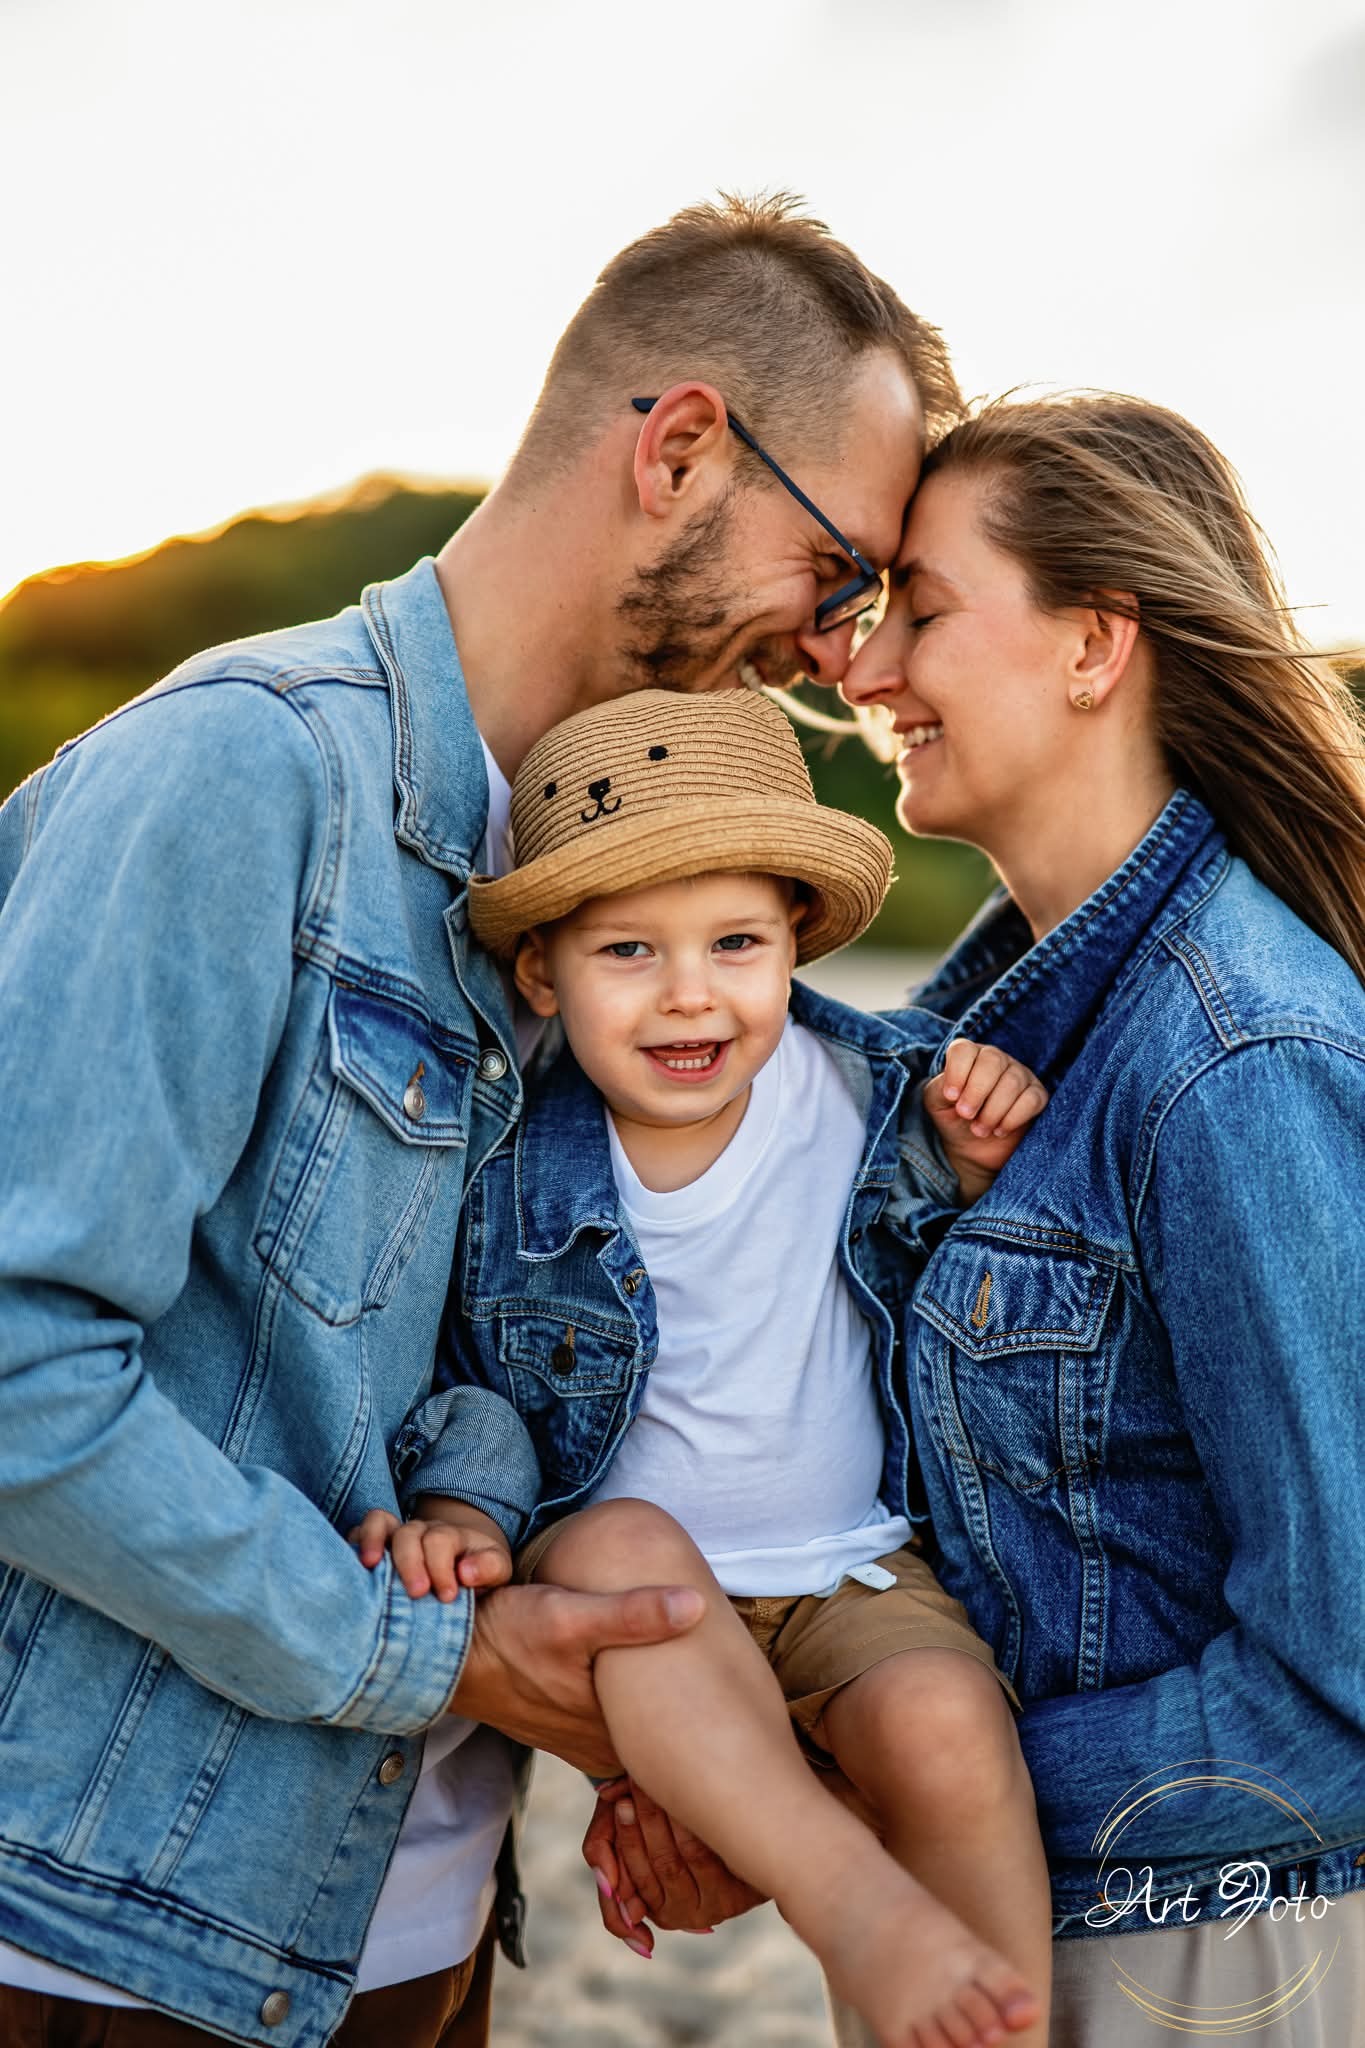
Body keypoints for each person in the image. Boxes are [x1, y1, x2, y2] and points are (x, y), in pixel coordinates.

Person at [0, 193, 959, 2047]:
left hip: (416, 1920)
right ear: (680, 450)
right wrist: (431, 1654)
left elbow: (494, 1394)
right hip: (118, 1937)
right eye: (835, 569)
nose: (841, 655)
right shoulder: (241, 773)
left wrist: (662, 1739)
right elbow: (18, 1360)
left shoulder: (609, 906)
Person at [356, 685, 1053, 2048]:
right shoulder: (509, 1162)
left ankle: (1002, 2022)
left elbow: (954, 1279)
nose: (690, 993)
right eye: (628, 950)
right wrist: (461, 1509)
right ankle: (855, 1901)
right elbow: (466, 1381)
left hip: (847, 1566)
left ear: (794, 935)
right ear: (543, 973)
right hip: (642, 1601)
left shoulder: (869, 1094)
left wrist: (974, 1162)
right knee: (624, 1555)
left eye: (735, 942)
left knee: (945, 1724)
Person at [814, 391, 1365, 2045]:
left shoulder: (1234, 1061)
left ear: (1092, 644)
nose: (860, 671)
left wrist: (886, 1786)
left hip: (1214, 1958)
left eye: (919, 611)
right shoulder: (986, 1057)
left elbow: (1341, 1685)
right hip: (1019, 1923)